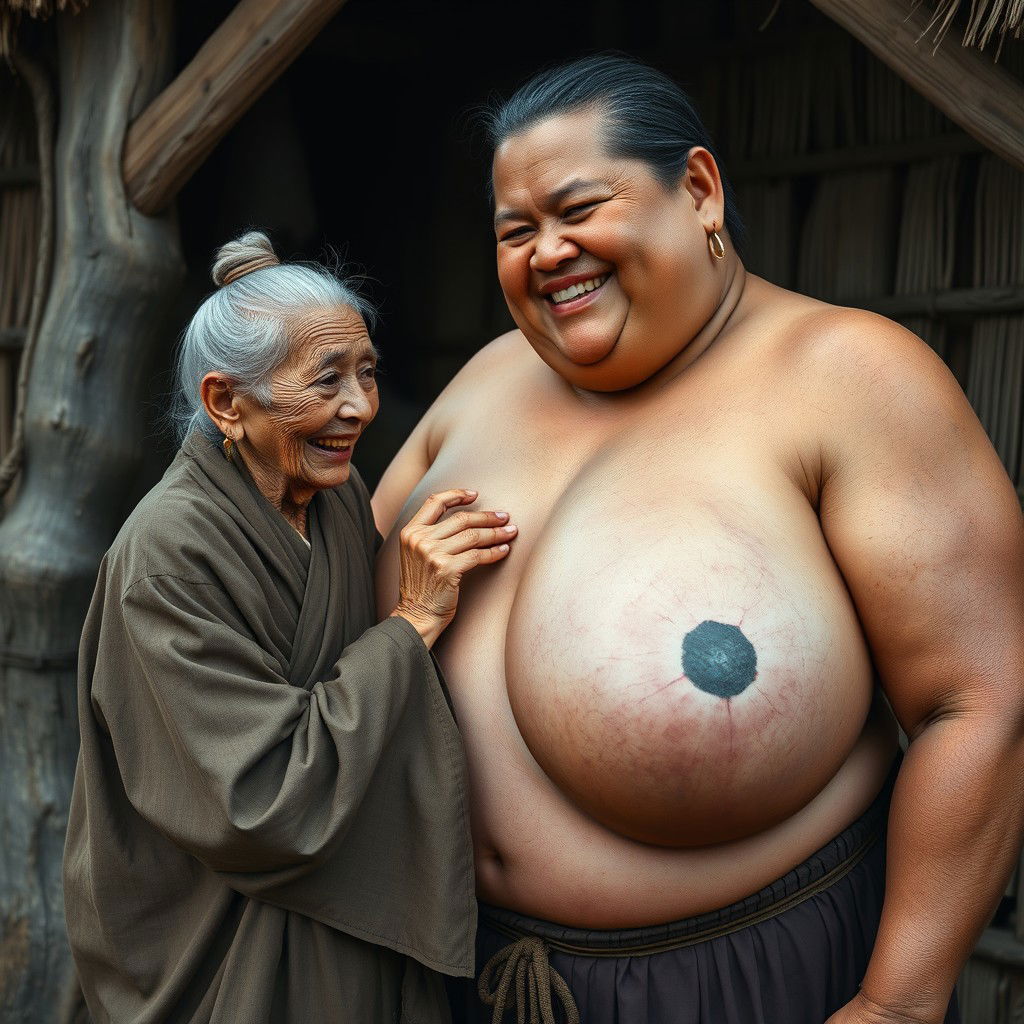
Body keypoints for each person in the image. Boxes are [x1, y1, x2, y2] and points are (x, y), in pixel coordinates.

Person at [372, 55, 1024, 1024]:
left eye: (577, 208)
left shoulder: (848, 377)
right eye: (516, 230)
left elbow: (978, 700)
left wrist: (897, 1001)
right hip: (452, 973)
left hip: (742, 979)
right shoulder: (479, 384)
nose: (546, 251)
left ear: (699, 190)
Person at [62, 231, 518, 1023]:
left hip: (351, 928)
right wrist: (411, 622)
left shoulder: (333, 493)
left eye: (367, 372)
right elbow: (261, 798)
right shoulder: (166, 557)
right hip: (226, 947)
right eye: (327, 380)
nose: (359, 407)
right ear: (226, 403)